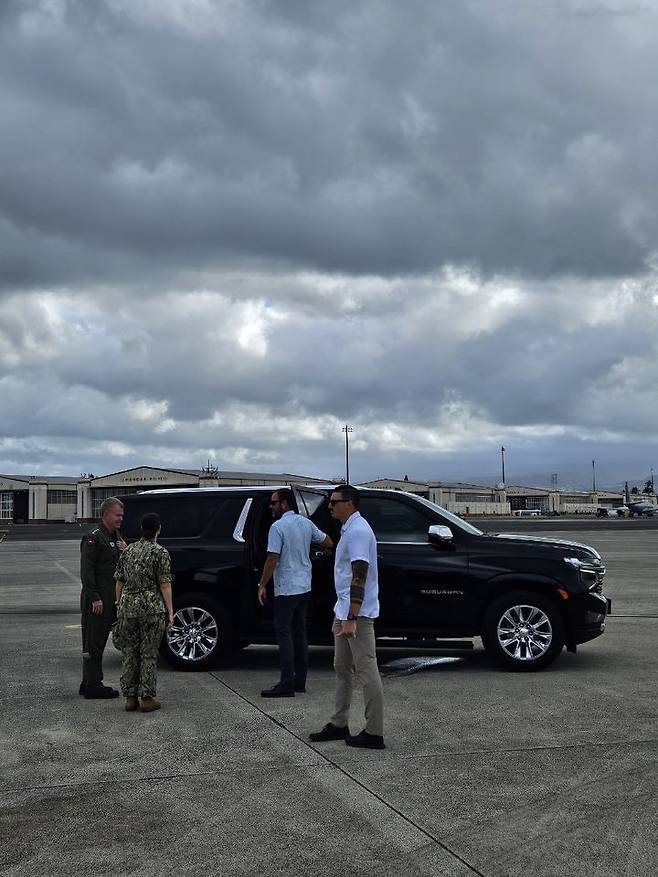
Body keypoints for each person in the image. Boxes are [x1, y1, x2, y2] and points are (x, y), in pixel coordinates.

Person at [309, 484, 385, 749]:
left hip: (357, 614)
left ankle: (374, 732)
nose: (329, 506)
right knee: (341, 667)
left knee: (366, 670)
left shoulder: (359, 531)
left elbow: (359, 572)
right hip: (342, 610)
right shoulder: (348, 529)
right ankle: (339, 723)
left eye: (334, 502)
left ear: (349, 503)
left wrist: (353, 615)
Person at [258, 488, 333, 697]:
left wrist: (262, 584)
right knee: (300, 634)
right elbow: (328, 541)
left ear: (284, 504)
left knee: (284, 634)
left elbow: (272, 558)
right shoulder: (306, 523)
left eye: (274, 503)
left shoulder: (278, 527)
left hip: (286, 587)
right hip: (304, 586)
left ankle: (286, 683)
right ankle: (300, 680)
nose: (271, 507)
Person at [114, 512, 174, 712]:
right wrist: (170, 611)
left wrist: (119, 604)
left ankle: (130, 697)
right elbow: (165, 585)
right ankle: (147, 697)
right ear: (158, 529)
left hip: (128, 607)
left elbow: (119, 581)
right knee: (148, 652)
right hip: (151, 607)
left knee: (130, 652)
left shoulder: (128, 551)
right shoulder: (160, 552)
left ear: (142, 529)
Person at [79, 497, 127, 699]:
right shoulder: (93, 538)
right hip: (97, 600)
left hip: (110, 598)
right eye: (118, 515)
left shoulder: (115, 535)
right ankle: (93, 685)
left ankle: (87, 681)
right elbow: (87, 571)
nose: (121, 519)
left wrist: (126, 550)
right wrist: (95, 597)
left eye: (122, 516)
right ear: (106, 515)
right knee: (94, 642)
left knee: (98, 640)